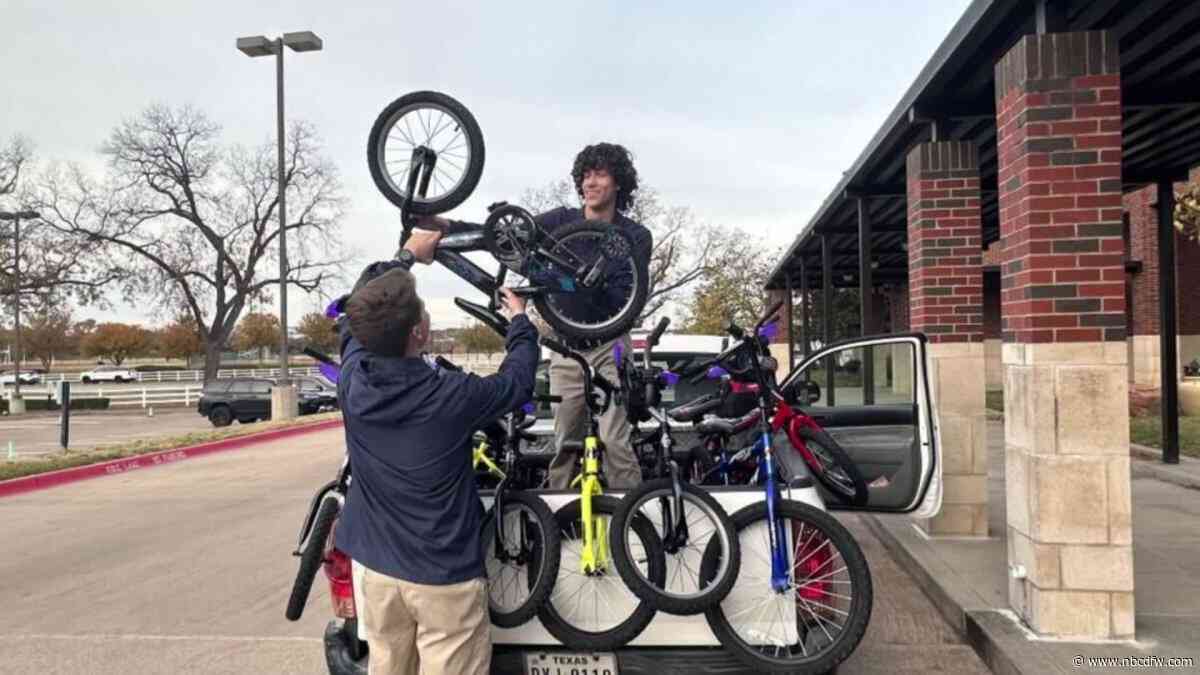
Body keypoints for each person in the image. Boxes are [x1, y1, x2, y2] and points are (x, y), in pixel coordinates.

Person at [332, 228, 539, 675]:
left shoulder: (352, 377)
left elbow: (358, 303)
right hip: (442, 576)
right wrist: (520, 322)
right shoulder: (451, 396)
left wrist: (406, 254)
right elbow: (515, 383)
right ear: (421, 332)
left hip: (379, 572)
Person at [418, 142, 652, 489]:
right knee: (565, 445)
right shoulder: (560, 221)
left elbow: (621, 292)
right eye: (585, 176)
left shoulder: (635, 235)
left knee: (616, 440)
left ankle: (632, 523)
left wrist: (574, 282)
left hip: (610, 345)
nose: (590, 182)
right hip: (565, 347)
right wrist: (441, 223)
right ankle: (559, 522)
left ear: (618, 182)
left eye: (600, 174)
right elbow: (499, 236)